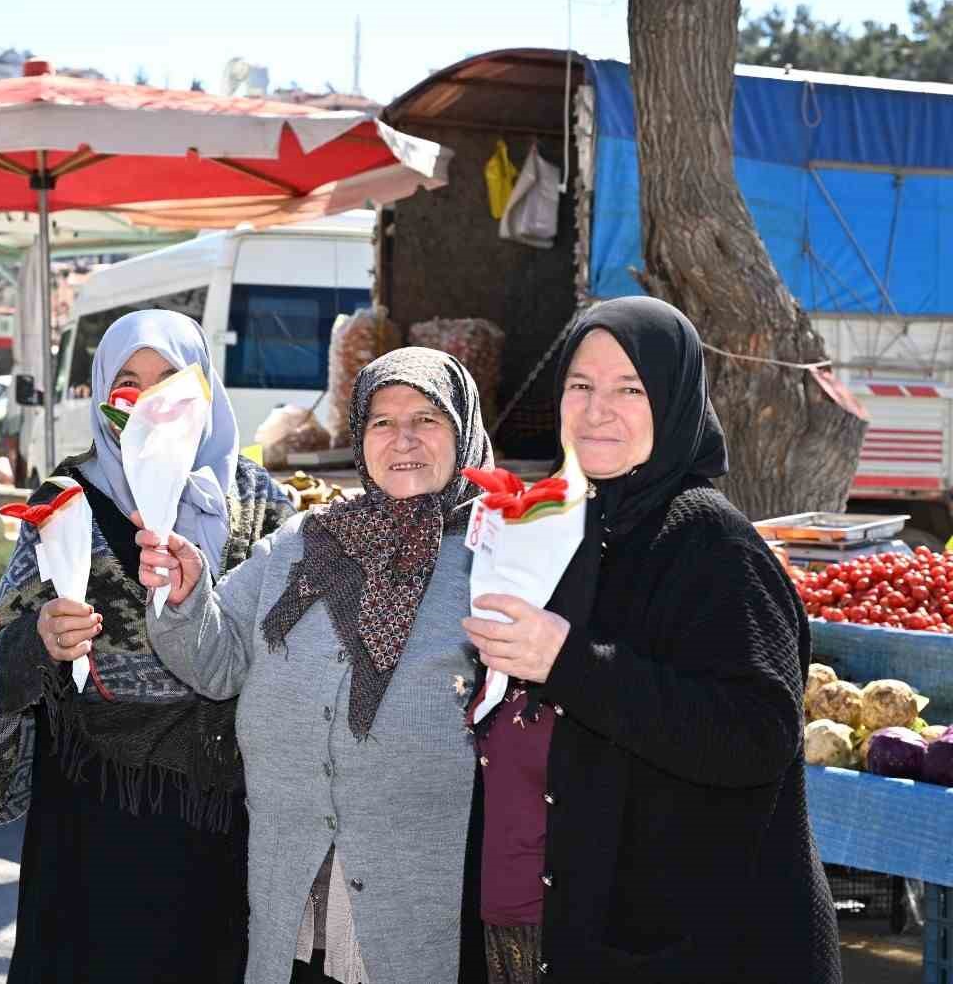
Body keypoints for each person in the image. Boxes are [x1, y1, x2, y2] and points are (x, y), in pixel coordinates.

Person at [457, 296, 842, 984]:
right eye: (581, 386)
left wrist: (569, 663)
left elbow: (757, 734)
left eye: (629, 389)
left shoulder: (713, 545)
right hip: (608, 937)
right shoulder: (568, 529)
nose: (598, 409)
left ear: (673, 398)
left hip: (716, 947)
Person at [0, 310, 296, 984]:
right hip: (94, 820)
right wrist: (43, 640)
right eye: (127, 384)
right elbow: (1, 652)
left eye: (168, 379)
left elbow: (288, 643)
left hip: (222, 815)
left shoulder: (260, 502)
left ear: (203, 387)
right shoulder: (64, 500)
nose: (146, 403)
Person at [135, 347, 491, 984]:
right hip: (293, 895)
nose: (402, 439)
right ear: (359, 435)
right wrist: (187, 597)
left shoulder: (495, 557)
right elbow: (216, 664)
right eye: (382, 421)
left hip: (419, 902)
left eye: (427, 419)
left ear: (463, 430)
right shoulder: (302, 542)